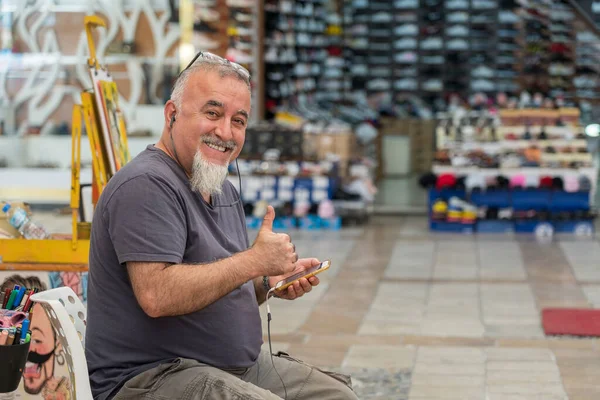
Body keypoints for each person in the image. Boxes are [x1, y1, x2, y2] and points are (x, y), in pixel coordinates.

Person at [85, 52, 358, 400]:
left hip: (231, 367)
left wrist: (266, 282)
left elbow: (218, 280)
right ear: (172, 114)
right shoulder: (146, 185)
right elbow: (157, 295)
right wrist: (254, 261)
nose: (225, 132)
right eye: (212, 113)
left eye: (239, 120)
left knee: (339, 396)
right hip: (153, 376)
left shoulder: (219, 186)